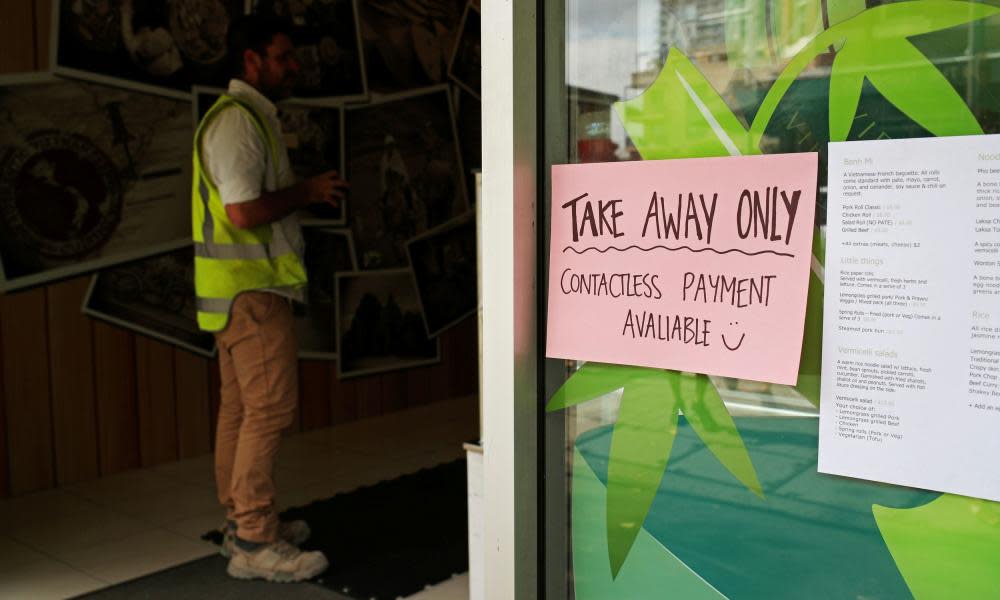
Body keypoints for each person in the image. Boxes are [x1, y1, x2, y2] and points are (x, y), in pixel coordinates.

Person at [191, 14, 347, 582]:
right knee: (269, 409)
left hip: (235, 295)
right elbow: (242, 212)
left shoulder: (244, 118)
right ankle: (256, 541)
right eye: (282, 57)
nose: (294, 67)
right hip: (251, 294)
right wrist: (306, 191)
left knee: (240, 409)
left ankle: (241, 523)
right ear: (251, 61)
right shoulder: (237, 124)